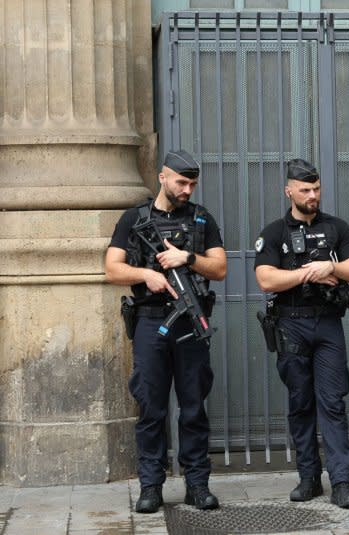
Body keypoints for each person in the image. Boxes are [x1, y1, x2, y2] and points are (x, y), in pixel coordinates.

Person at [105, 149, 227, 513]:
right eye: (181, 182)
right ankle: (151, 486)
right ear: (163, 177)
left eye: (192, 183)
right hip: (149, 321)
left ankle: (197, 484)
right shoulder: (133, 219)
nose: (187, 189)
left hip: (190, 324)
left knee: (193, 406)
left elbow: (219, 268)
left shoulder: (202, 220)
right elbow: (112, 269)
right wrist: (147, 274)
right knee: (151, 407)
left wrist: (186, 258)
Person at [254, 158, 349, 509]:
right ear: (289, 191)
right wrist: (308, 273)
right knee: (300, 404)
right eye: (305, 190)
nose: (312, 195)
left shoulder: (337, 229)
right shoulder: (274, 233)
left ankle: (342, 482)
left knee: (332, 403)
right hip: (291, 324)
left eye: (316, 189)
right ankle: (308, 478)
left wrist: (330, 266)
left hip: (328, 325)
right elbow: (266, 279)